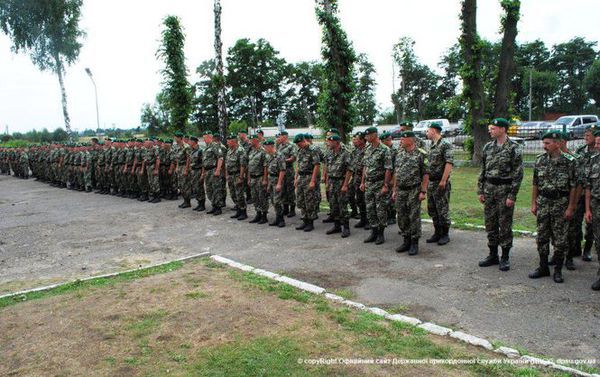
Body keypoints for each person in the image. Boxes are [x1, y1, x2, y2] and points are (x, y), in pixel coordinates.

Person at [529, 131, 577, 283]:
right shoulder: (540, 160)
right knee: (542, 237)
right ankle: (543, 267)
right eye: (544, 143)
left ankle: (557, 270)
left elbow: (574, 186)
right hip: (543, 202)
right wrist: (533, 203)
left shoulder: (570, 161)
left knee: (560, 239)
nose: (544, 146)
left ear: (558, 143)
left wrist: (571, 207)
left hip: (560, 203)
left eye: (547, 143)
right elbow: (535, 183)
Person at [477, 118, 523, 271]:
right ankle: (492, 255)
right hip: (489, 189)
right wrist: (480, 190)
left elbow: (518, 174)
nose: (490, 131)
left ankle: (505, 257)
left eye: (493, 128)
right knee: (490, 223)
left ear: (503, 129)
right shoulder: (488, 147)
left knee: (504, 225)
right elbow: (483, 170)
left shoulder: (513, 148)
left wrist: (512, 196)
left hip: (504, 190)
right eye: (490, 128)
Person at [392, 131, 429, 255]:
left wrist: (423, 191)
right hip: (401, 190)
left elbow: (425, 174)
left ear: (411, 140)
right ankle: (406, 240)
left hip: (414, 189)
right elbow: (396, 172)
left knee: (413, 216)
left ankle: (414, 242)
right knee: (401, 216)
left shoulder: (421, 154)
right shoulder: (399, 153)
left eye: (403, 139)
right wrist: (394, 189)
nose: (400, 141)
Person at [360, 127, 392, 245]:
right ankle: (373, 232)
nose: (366, 138)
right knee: (370, 208)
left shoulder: (384, 150)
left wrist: (385, 185)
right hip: (369, 183)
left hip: (379, 183)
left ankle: (381, 233)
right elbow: (365, 166)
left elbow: (388, 169)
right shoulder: (368, 148)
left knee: (380, 209)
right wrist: (363, 182)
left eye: (368, 136)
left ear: (374, 135)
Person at [425, 121, 454, 245]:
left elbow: (449, 163)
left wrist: (443, 180)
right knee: (432, 209)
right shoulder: (432, 145)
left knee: (442, 209)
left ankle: (445, 234)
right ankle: (437, 232)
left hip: (440, 182)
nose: (426, 133)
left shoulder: (445, 144)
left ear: (434, 130)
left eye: (427, 130)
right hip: (431, 182)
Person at [576, 124, 599, 262]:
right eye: (585, 135)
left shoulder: (597, 153)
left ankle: (587, 249)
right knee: (576, 221)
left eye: (588, 135)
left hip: (593, 193)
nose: (585, 137)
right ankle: (576, 247)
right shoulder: (580, 150)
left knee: (591, 224)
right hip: (581, 191)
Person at [324, 134, 352, 238]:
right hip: (331, 181)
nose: (328, 143)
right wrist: (327, 182)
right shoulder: (329, 153)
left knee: (342, 205)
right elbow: (327, 168)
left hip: (341, 181)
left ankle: (346, 227)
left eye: (330, 142)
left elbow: (349, 170)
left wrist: (345, 184)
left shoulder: (345, 153)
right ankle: (336, 226)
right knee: (333, 205)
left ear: (336, 142)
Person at [294, 134, 321, 232]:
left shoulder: (312, 150)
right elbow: (298, 165)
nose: (298, 145)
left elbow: (316, 165)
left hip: (309, 177)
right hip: (301, 177)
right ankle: (304, 220)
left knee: (309, 200)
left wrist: (313, 181)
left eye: (299, 143)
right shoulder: (300, 150)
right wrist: (296, 178)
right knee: (301, 199)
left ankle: (310, 222)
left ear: (303, 140)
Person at [584, 129, 600, 290]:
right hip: (596, 204)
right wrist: (587, 209)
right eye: (597, 143)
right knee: (598, 240)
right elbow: (588, 186)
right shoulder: (594, 161)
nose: (597, 146)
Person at [202, 132, 226, 215]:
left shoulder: (215, 145)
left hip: (213, 170)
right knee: (209, 189)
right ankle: (214, 205)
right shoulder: (207, 147)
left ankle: (218, 208)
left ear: (210, 137)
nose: (204, 140)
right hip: (207, 171)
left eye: (205, 138)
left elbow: (220, 158)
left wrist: (218, 170)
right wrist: (204, 172)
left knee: (216, 189)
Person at [247, 135, 269, 224]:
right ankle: (258, 213)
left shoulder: (263, 151)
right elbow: (249, 166)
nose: (249, 142)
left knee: (262, 197)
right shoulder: (251, 151)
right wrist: (248, 178)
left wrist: (265, 179)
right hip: (252, 178)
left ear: (256, 141)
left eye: (251, 140)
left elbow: (265, 166)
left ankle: (264, 216)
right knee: (255, 197)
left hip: (260, 177)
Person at [225, 134, 248, 220]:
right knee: (233, 194)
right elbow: (227, 163)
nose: (227, 143)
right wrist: (227, 175)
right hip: (231, 175)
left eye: (228, 141)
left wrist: (241, 177)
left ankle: (243, 212)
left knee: (240, 194)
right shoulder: (229, 150)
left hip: (237, 175)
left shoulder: (240, 150)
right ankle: (238, 210)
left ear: (233, 141)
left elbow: (243, 165)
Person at [264, 139, 286, 227]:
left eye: (266, 147)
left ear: (271, 146)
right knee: (273, 200)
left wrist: (279, 183)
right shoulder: (269, 156)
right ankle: (277, 218)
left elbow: (282, 170)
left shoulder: (279, 155)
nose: (265, 148)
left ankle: (281, 220)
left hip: (277, 179)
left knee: (278, 201)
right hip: (271, 179)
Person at [349, 131, 367, 229]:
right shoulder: (355, 151)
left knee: (366, 200)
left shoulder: (367, 150)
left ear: (362, 140)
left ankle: (369, 220)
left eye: (357, 139)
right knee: (359, 200)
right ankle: (363, 219)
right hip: (356, 178)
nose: (355, 141)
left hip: (365, 179)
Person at [277, 131, 297, 218]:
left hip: (288, 170)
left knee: (290, 189)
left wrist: (283, 161)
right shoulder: (279, 146)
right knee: (283, 190)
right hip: (281, 171)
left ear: (285, 136)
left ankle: (292, 209)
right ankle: (285, 208)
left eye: (280, 136)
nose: (279, 138)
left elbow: (293, 158)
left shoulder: (291, 146)